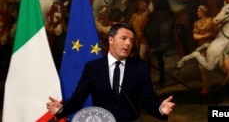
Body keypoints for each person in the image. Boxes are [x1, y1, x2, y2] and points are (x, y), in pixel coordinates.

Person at [46, 23, 175, 121]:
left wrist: (160, 109)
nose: (128, 43)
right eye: (123, 38)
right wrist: (61, 109)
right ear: (111, 40)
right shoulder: (93, 68)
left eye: (131, 40)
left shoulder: (140, 68)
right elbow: (78, 99)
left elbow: (148, 101)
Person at [192, 5, 220, 94]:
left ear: (203, 12)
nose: (197, 13)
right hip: (202, 48)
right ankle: (205, 87)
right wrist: (206, 35)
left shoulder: (211, 20)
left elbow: (217, 30)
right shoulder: (196, 23)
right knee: (202, 68)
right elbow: (195, 36)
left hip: (212, 46)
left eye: (198, 11)